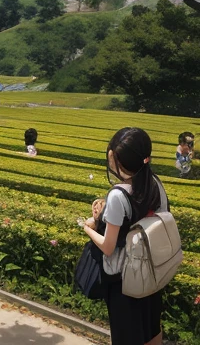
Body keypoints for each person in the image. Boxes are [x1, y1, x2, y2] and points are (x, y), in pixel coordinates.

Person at [82, 127, 168, 345]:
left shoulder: (117, 196)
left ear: (114, 158)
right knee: (151, 330)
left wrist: (89, 226)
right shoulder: (155, 183)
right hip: (152, 272)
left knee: (125, 336)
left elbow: (108, 246)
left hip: (125, 280)